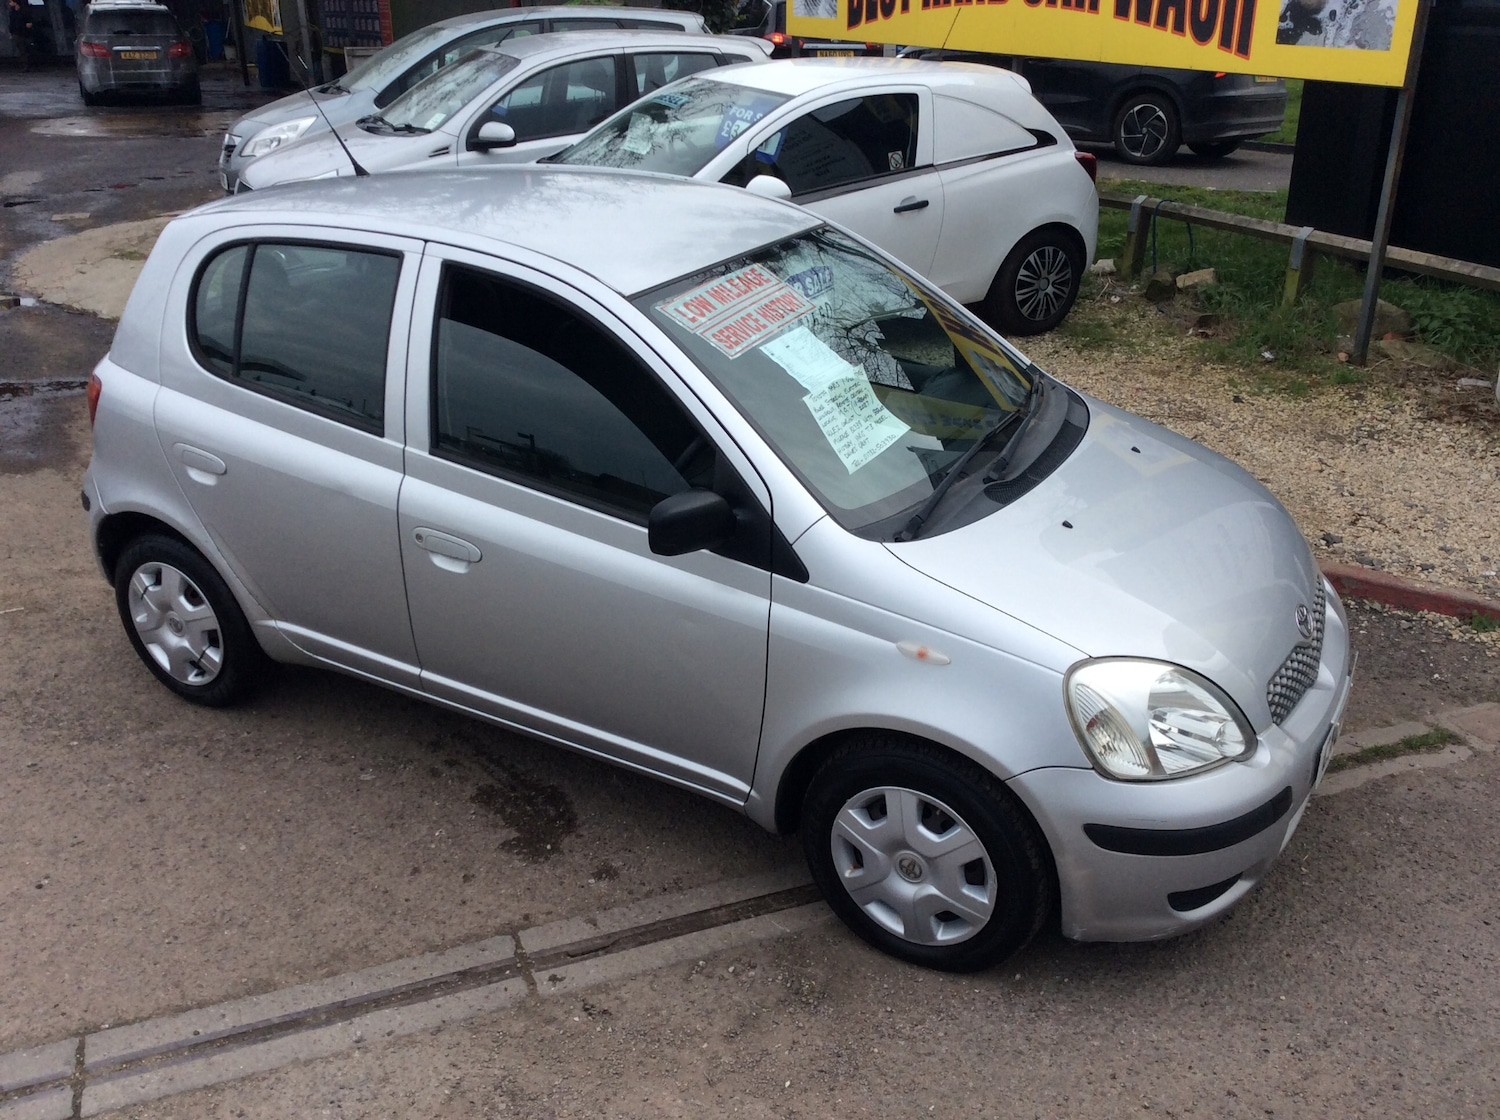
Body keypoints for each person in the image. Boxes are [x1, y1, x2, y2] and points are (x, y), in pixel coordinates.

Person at [8, 0, 35, 70]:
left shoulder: (23, 12)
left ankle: (27, 64)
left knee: (26, 49)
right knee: (22, 50)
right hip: (17, 33)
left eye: (11, 2)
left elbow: (29, 21)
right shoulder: (12, 12)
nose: (9, 3)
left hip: (25, 33)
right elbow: (12, 24)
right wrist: (11, 33)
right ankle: (25, 65)